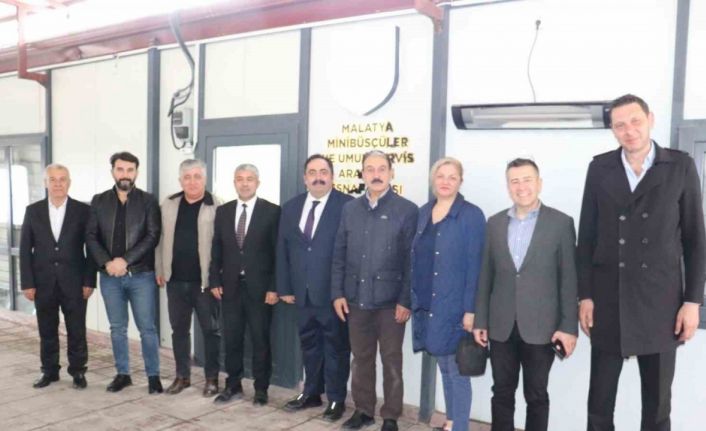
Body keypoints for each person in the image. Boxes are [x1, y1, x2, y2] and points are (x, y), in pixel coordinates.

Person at [577, 94, 706, 431]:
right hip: (608, 299)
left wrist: (692, 301)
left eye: (635, 121)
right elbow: (586, 238)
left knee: (657, 407)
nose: (629, 130)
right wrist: (585, 295)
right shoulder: (599, 168)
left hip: (661, 303)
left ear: (650, 119)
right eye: (620, 125)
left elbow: (696, 240)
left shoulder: (679, 166)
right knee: (599, 404)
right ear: (612, 130)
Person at [473, 158, 578, 431]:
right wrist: (480, 320)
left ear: (539, 183)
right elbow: (485, 276)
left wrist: (569, 327)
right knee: (501, 392)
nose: (521, 187)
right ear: (508, 186)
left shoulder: (561, 223)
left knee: (537, 395)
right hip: (501, 326)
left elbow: (569, 280)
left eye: (527, 180)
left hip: (542, 327)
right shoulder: (494, 223)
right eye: (515, 181)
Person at [332, 150, 418, 431]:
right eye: (370, 169)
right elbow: (339, 254)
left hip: (391, 303)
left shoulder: (407, 210)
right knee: (361, 359)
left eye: (382, 168)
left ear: (391, 173)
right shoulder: (350, 209)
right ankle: (363, 411)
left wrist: (405, 300)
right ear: (362, 174)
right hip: (356, 300)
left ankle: (391, 416)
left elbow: (412, 260)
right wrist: (337, 293)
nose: (376, 174)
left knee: (392, 361)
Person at [411, 157, 485, 431]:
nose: (445, 181)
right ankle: (452, 421)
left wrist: (471, 310)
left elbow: (476, 265)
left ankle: (460, 426)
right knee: (443, 364)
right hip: (429, 303)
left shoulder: (471, 215)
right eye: (441, 176)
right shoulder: (423, 212)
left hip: (456, 305)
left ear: (460, 182)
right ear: (433, 179)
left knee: (457, 370)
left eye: (452, 177)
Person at [277, 154, 353, 421]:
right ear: (304, 178)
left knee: (336, 348)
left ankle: (336, 399)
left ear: (332, 176)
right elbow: (283, 249)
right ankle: (311, 393)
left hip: (333, 295)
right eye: (312, 172)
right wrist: (285, 287)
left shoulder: (348, 206)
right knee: (309, 345)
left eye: (323, 172)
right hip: (302, 294)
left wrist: (343, 291)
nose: (318, 177)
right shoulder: (291, 207)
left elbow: (352, 253)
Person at [86, 151, 163, 394]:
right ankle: (123, 374)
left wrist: (125, 261)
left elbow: (153, 235)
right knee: (117, 328)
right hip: (110, 277)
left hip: (141, 276)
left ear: (136, 172)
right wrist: (107, 263)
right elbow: (91, 236)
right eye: (120, 169)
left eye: (130, 170)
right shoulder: (99, 201)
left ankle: (153, 376)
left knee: (147, 329)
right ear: (113, 172)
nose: (125, 174)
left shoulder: (148, 201)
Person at [19, 164, 96, 390]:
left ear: (69, 183)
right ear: (45, 183)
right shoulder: (33, 211)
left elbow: (91, 249)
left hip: (75, 282)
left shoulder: (83, 211)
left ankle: (78, 371)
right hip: (43, 283)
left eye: (62, 179)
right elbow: (25, 250)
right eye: (52, 179)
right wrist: (27, 283)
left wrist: (89, 281)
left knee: (77, 330)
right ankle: (49, 371)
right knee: (47, 330)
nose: (58, 184)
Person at [209, 163, 280, 406]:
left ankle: (261, 389)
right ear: (234, 183)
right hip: (230, 287)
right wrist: (214, 279)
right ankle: (233, 385)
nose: (245, 183)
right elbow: (216, 249)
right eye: (240, 179)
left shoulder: (272, 211)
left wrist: (274, 287)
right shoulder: (224, 211)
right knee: (232, 339)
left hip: (261, 290)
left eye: (250, 179)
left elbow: (277, 254)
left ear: (257, 183)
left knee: (260, 340)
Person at [155, 159, 222, 396]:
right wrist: (159, 269)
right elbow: (159, 239)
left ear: (205, 179)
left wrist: (217, 279)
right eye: (187, 177)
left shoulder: (217, 205)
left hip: (204, 283)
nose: (192, 182)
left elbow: (223, 245)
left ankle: (212, 379)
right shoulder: (169, 204)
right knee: (179, 331)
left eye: (197, 176)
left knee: (210, 332)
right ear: (180, 180)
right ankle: (182, 377)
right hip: (175, 281)